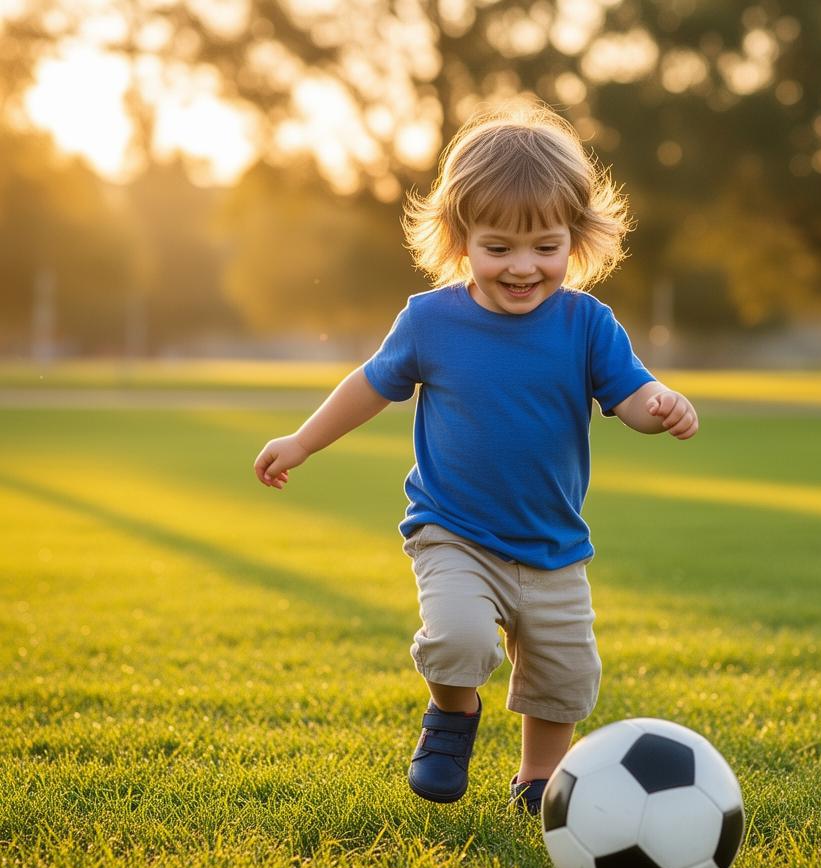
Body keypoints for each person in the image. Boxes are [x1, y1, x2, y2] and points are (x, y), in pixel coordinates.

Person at [253, 102, 698, 815]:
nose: (523, 267)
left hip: (553, 544)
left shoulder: (587, 324)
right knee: (458, 638)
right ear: (460, 240)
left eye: (546, 247)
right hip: (453, 530)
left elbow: (632, 395)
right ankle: (452, 715)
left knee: (563, 675)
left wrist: (662, 405)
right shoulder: (431, 320)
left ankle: (539, 780)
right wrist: (301, 442)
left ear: (577, 237)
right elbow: (369, 385)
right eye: (499, 248)